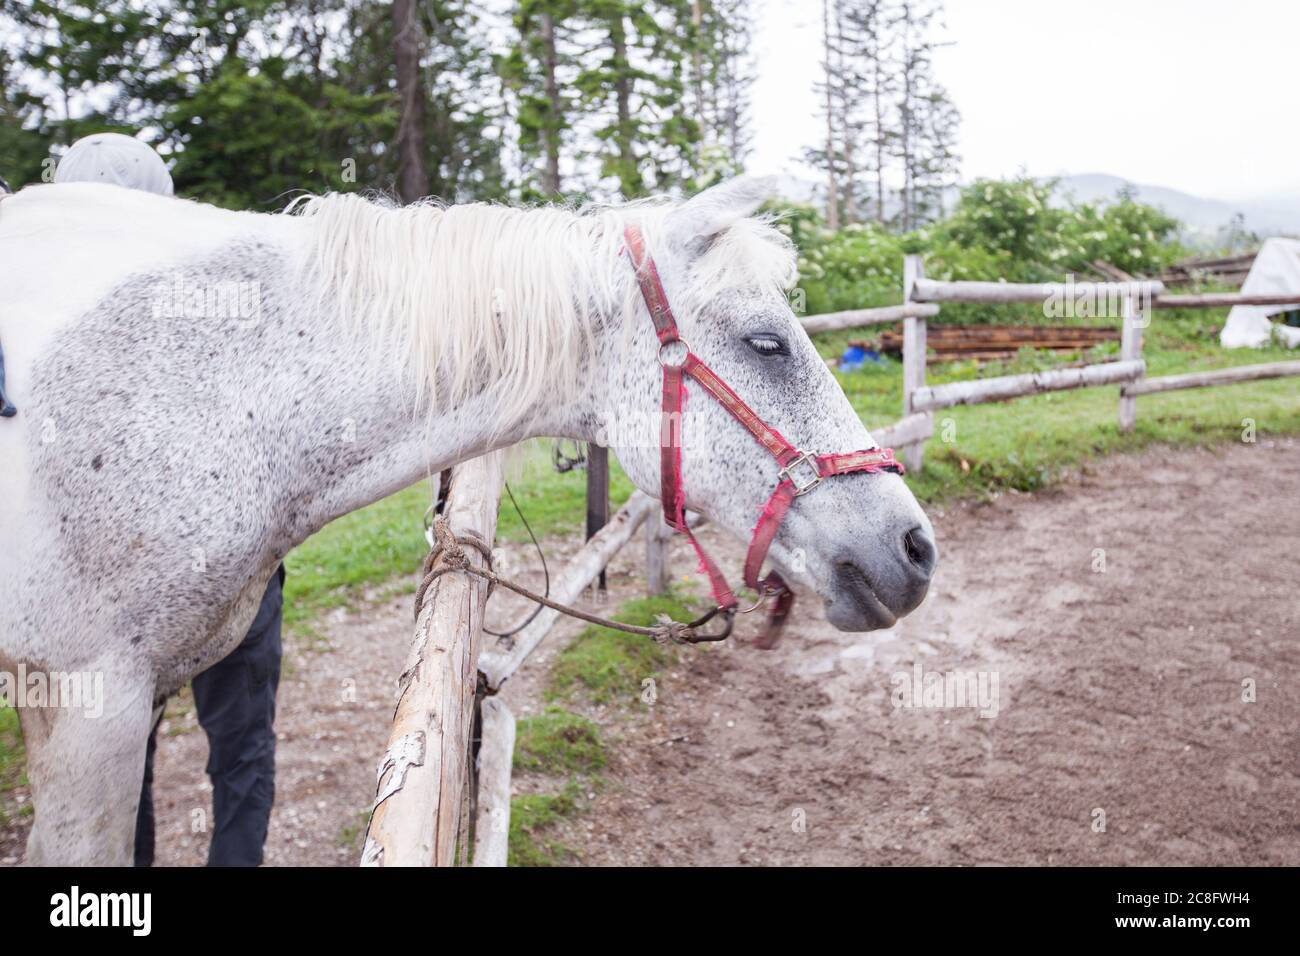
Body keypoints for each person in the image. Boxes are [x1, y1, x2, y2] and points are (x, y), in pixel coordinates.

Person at [54, 132, 284, 867]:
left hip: (131, 583)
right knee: (237, 751)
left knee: (127, 751)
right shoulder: (211, 301)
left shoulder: (50, 318)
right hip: (228, 565)